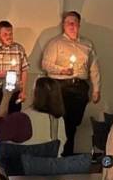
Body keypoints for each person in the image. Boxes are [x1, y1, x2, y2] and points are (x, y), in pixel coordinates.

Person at [41, 11, 101, 156]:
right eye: (69, 23)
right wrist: (62, 70)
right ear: (64, 25)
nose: (72, 26)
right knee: (61, 121)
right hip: (60, 87)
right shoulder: (56, 43)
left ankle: (68, 155)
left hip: (79, 87)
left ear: (79, 25)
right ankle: (59, 155)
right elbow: (45, 64)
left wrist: (96, 89)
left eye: (74, 23)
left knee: (73, 123)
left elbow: (94, 68)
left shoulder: (87, 44)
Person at [20, 78, 67, 154]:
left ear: (35, 94)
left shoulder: (24, 116)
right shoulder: (59, 119)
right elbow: (61, 146)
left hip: (29, 160)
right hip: (54, 160)